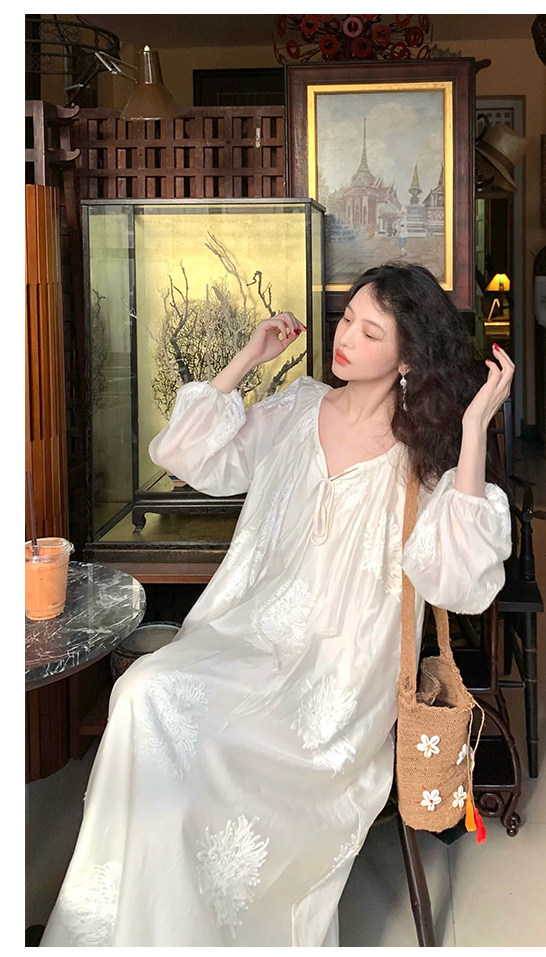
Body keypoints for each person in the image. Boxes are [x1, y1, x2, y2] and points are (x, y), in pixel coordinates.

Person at [40, 262, 514, 947]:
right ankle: (139, 918)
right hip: (245, 634)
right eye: (347, 319)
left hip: (341, 675)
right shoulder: (297, 407)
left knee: (211, 735)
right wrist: (247, 358)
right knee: (145, 689)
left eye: (370, 331)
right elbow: (185, 454)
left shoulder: (422, 453)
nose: (345, 337)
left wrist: (473, 429)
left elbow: (460, 581)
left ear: (408, 358)